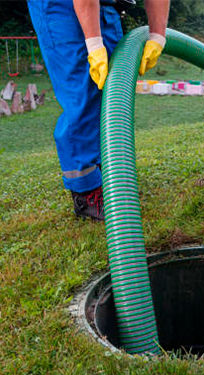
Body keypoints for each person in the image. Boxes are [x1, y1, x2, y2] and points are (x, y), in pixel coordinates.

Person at [27, 0, 170, 221]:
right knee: (82, 92)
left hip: (105, 6)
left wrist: (158, 36)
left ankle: (108, 177)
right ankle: (86, 192)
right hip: (58, 6)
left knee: (111, 89)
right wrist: (93, 45)